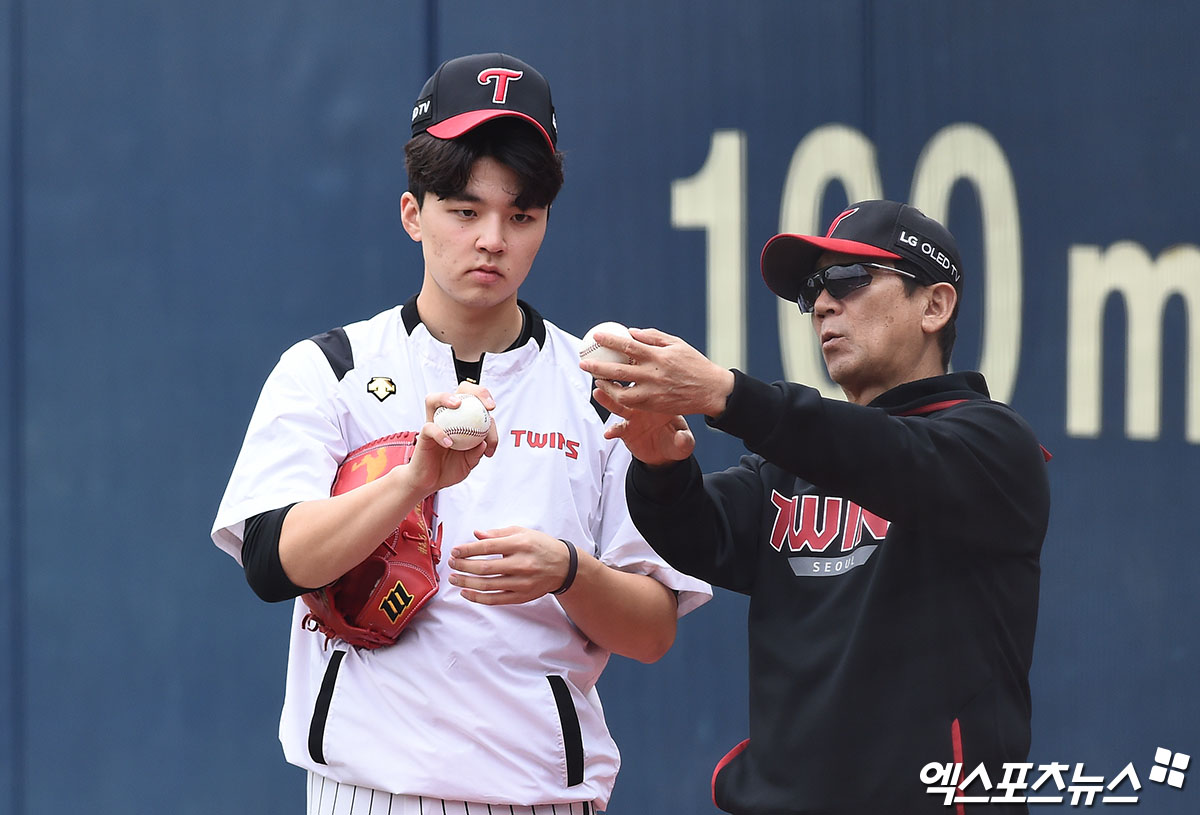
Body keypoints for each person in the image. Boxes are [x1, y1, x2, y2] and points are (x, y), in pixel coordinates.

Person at [211, 52, 710, 815]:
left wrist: (569, 571)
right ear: (414, 213)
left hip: (537, 796)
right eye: (465, 209)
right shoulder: (330, 368)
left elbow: (651, 633)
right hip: (366, 792)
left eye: (521, 215)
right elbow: (272, 565)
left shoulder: (597, 388)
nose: (492, 239)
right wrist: (412, 481)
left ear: (544, 223)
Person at [582, 200, 1051, 814]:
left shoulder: (993, 446)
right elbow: (700, 532)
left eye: (849, 281)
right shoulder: (792, 466)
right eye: (811, 292)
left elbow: (889, 455)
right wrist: (658, 463)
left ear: (935, 305)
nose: (823, 305)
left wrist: (726, 394)